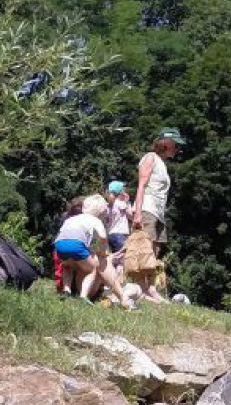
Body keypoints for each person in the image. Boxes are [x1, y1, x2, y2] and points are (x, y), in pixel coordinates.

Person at [54, 195, 133, 309]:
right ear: (101, 212)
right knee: (93, 268)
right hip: (77, 245)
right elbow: (103, 236)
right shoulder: (95, 220)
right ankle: (83, 296)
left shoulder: (72, 219)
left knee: (67, 267)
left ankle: (66, 290)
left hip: (59, 244)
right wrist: (103, 250)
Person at [132, 128, 185, 259]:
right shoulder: (150, 158)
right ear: (166, 143)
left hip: (159, 213)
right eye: (175, 144)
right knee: (144, 254)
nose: (177, 148)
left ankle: (150, 280)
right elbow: (141, 185)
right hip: (147, 210)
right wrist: (138, 214)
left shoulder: (162, 164)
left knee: (155, 254)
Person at [105, 181, 131, 259]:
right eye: (124, 190)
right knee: (123, 259)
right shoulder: (120, 203)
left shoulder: (109, 204)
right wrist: (127, 202)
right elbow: (130, 215)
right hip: (120, 235)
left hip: (111, 235)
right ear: (121, 192)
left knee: (115, 259)